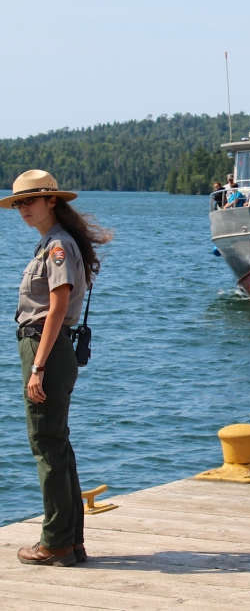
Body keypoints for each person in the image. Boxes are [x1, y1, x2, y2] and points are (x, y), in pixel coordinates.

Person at [0, 169, 112, 567]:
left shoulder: (58, 247)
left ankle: (55, 542)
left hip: (44, 348)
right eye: (18, 204)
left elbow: (58, 308)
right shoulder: (51, 244)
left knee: (46, 443)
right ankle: (70, 540)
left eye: (30, 201)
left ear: (52, 201)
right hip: (46, 347)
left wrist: (38, 368)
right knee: (56, 442)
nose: (22, 209)